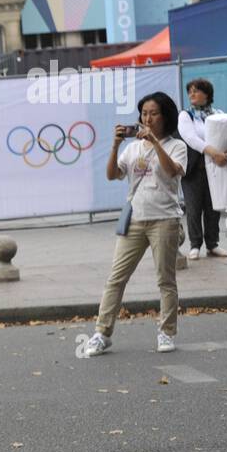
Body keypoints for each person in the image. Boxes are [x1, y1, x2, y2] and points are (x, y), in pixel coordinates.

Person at [84, 91, 188, 357]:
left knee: (166, 280)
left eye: (154, 113)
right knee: (116, 278)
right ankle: (101, 333)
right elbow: (112, 175)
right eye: (144, 113)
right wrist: (115, 145)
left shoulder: (177, 146)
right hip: (135, 220)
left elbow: (171, 171)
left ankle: (166, 332)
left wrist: (154, 142)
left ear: (165, 116)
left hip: (165, 219)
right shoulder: (132, 148)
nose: (148, 118)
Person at [177, 78, 227, 259]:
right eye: (190, 91)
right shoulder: (186, 115)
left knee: (213, 207)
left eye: (196, 90)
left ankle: (213, 243)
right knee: (194, 208)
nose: (192, 94)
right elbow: (191, 138)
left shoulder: (218, 114)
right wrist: (214, 153)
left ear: (207, 94)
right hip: (194, 169)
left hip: (215, 168)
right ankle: (195, 245)